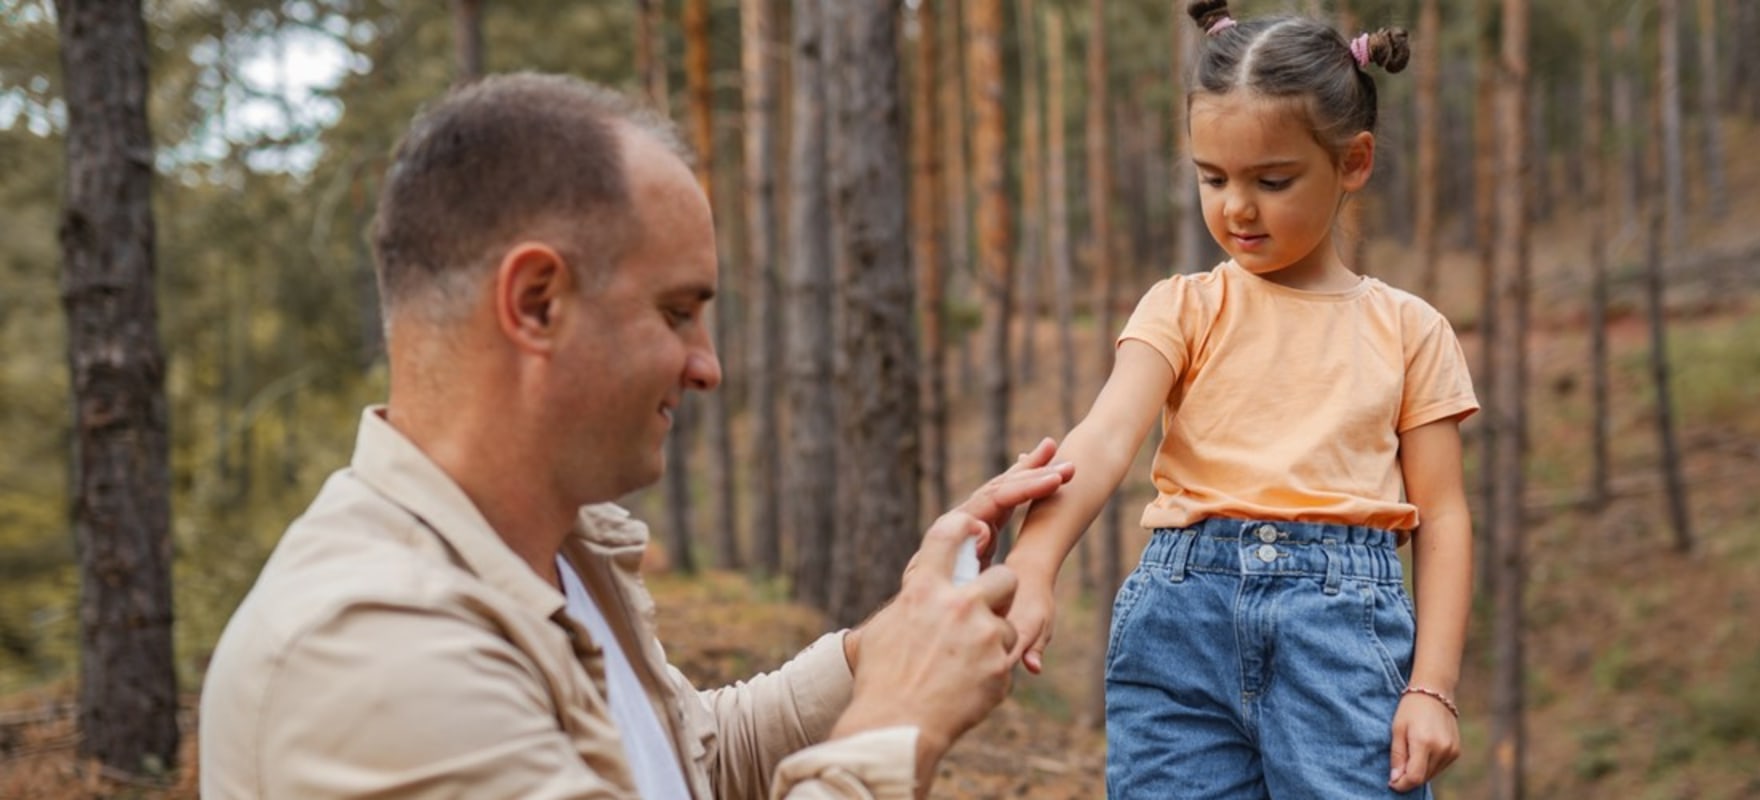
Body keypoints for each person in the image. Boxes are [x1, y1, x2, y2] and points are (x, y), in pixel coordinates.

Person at [198, 72, 1073, 799]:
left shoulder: (547, 561)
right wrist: (903, 718)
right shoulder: (370, 652)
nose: (707, 366)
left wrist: (881, 653)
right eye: (677, 312)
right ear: (536, 303)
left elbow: (687, 764)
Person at [995, 2, 1477, 796]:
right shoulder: (1182, 307)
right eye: (1211, 177)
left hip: (1342, 642)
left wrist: (1432, 687)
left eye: (1272, 180)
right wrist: (1037, 562)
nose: (1236, 208)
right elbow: (1108, 434)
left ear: (1353, 163)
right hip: (1180, 622)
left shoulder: (1408, 331)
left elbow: (1445, 515)